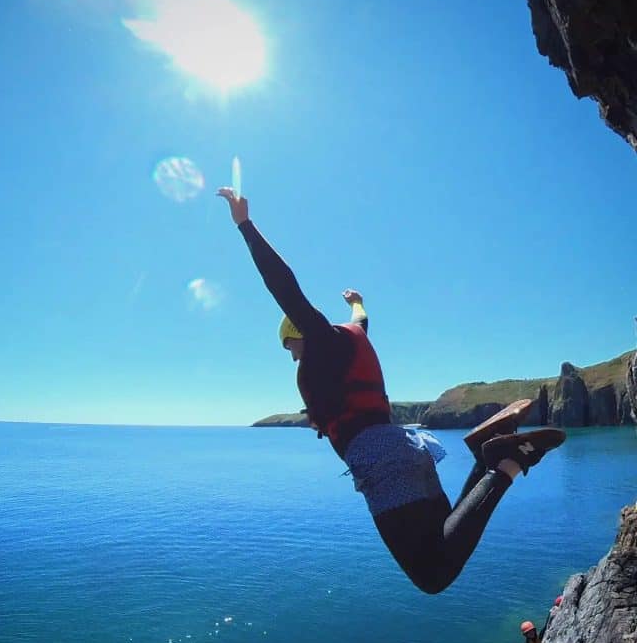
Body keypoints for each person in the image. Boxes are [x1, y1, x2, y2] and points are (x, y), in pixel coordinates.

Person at [217, 188, 566, 594]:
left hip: (378, 460)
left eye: (290, 345)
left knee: (432, 576)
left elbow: (283, 286)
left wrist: (245, 226)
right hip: (404, 447)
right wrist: (358, 301)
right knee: (444, 534)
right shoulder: (350, 337)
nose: (292, 356)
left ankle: (506, 463)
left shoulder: (321, 340)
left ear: (298, 333)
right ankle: (486, 451)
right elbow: (361, 319)